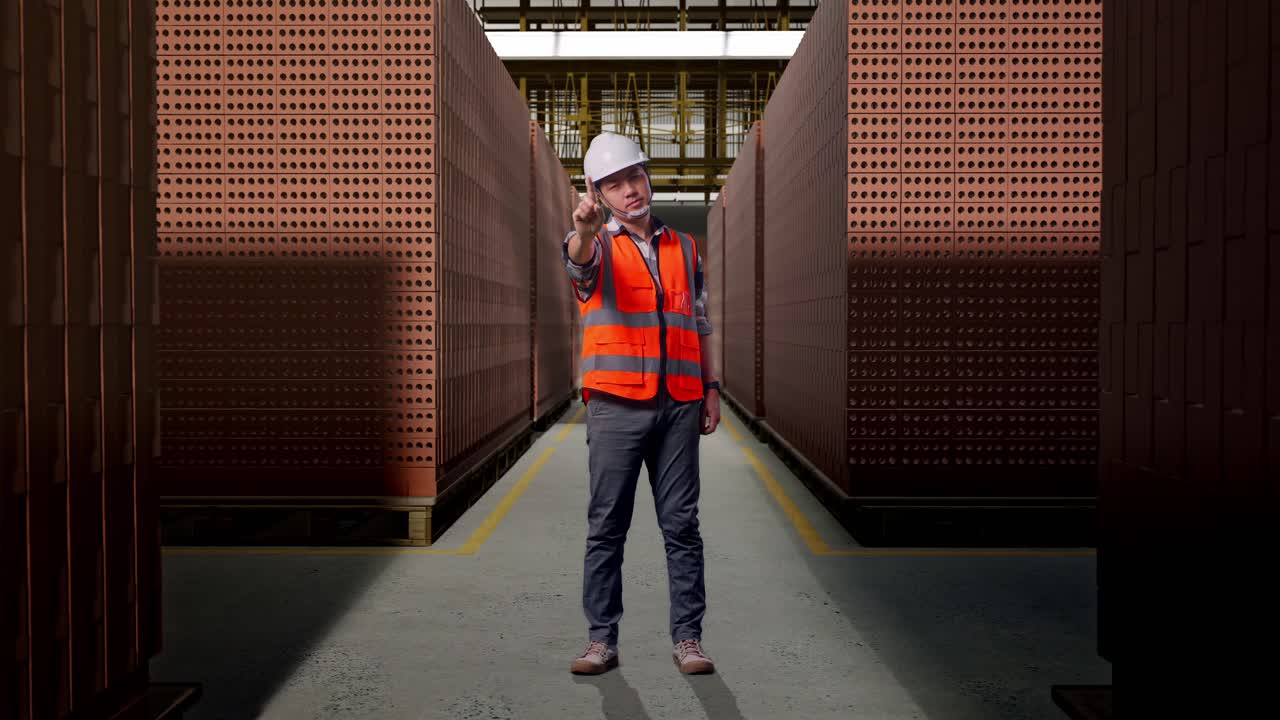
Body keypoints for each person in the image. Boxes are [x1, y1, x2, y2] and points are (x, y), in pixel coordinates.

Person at [562, 132, 721, 676]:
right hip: (616, 405)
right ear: (598, 194)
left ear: (646, 176)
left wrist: (710, 387)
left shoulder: (686, 248)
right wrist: (582, 235)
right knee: (607, 525)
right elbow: (579, 268)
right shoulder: (596, 244)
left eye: (634, 176)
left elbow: (698, 322)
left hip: (678, 403)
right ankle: (601, 640)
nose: (629, 190)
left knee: (682, 526)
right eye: (614, 184)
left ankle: (689, 640)